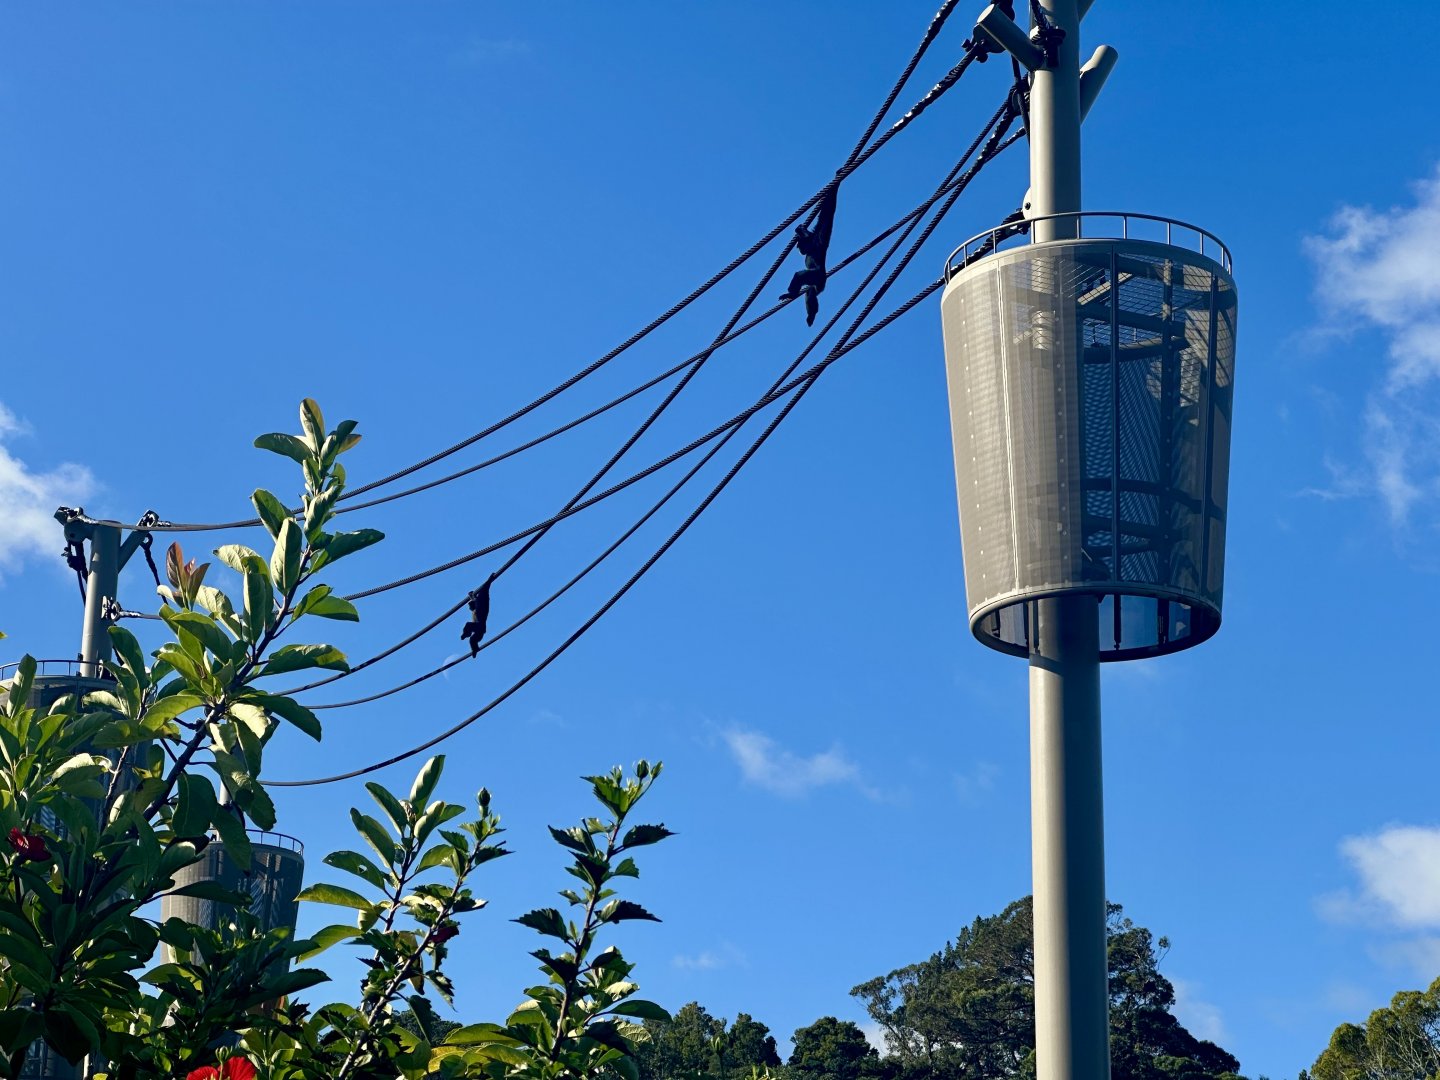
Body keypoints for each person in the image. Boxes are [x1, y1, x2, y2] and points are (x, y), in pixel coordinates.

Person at [780, 183, 839, 326]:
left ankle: (793, 292)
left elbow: (827, 216)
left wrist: (834, 187)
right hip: (816, 279)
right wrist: (800, 230)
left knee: (799, 276)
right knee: (809, 292)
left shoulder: (818, 244)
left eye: (801, 247)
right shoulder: (810, 249)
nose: (800, 251)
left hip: (818, 274)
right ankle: (811, 313)